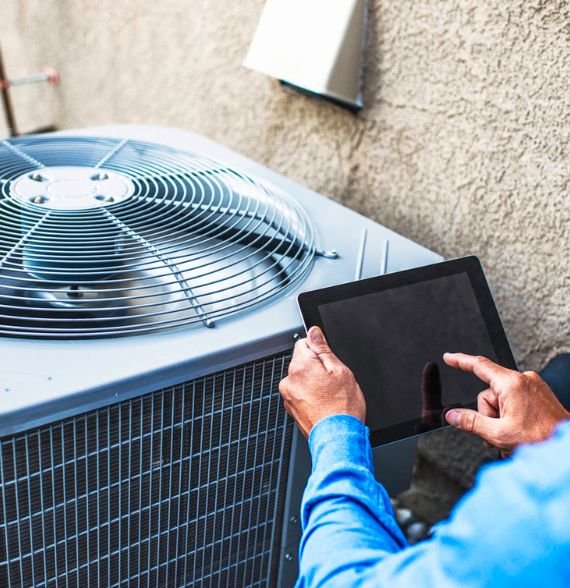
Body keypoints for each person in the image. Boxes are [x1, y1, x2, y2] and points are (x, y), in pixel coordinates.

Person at [279, 326, 570, 587]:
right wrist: (551, 434)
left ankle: (408, 547)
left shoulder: (542, 508)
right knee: (564, 375)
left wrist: (333, 429)